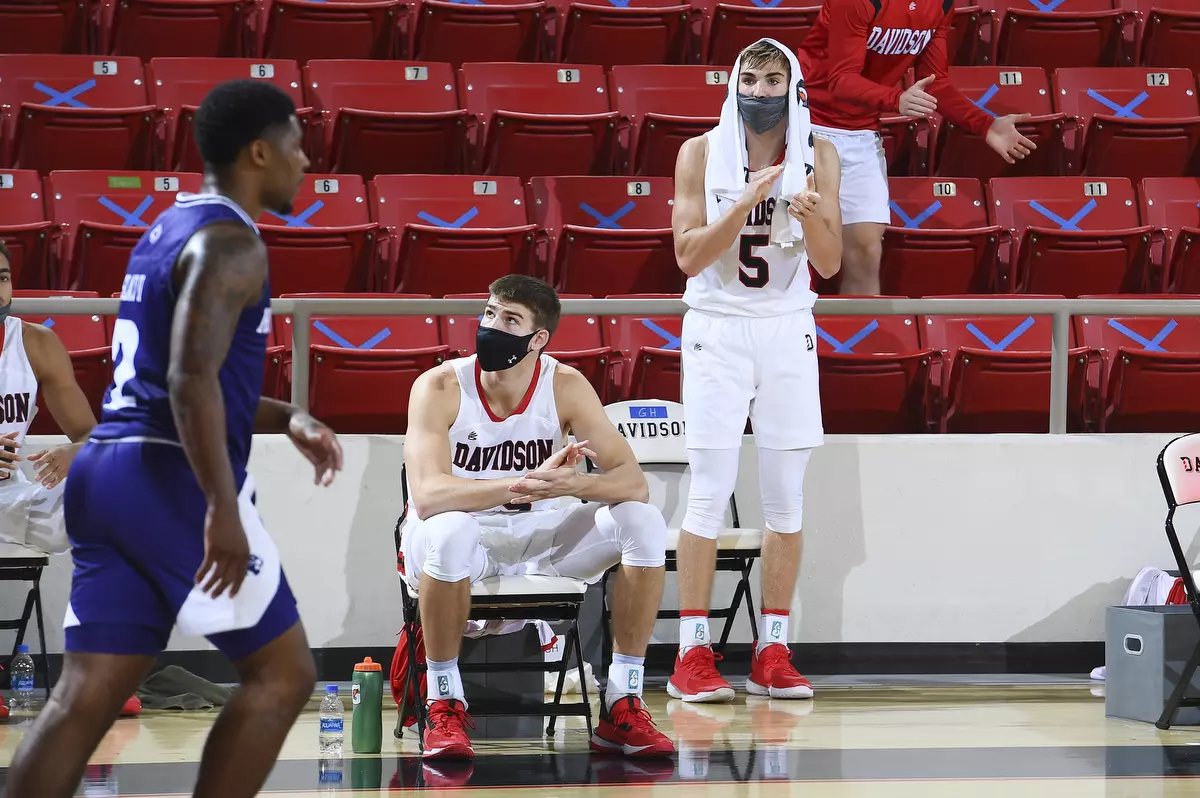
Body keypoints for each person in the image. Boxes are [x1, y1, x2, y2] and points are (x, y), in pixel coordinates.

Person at [6, 79, 344, 798]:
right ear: (259, 151)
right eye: (294, 143)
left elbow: (183, 374)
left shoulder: (169, 226)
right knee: (284, 676)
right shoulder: (232, 243)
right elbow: (190, 381)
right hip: (168, 478)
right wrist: (220, 506)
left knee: (84, 695)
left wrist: (289, 417)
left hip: (105, 471)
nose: (306, 161)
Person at [401, 274, 674, 761]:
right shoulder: (439, 386)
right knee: (449, 530)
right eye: (489, 313)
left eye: (509, 319)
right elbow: (427, 496)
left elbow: (634, 481)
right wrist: (520, 485)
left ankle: (622, 700)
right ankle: (443, 702)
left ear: (538, 339)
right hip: (462, 533)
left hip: (538, 535)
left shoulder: (565, 386)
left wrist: (577, 485)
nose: (491, 326)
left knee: (644, 522)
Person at [669, 39, 842, 703]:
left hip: (786, 327)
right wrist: (742, 203)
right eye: (751, 78)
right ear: (734, 82)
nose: (762, 91)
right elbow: (686, 257)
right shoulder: (698, 153)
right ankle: (693, 654)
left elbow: (827, 262)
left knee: (786, 498)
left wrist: (810, 217)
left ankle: (772, 648)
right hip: (716, 326)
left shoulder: (817, 153)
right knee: (708, 491)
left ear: (792, 85)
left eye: (774, 80)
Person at [797, 0, 1037, 295]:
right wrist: (895, 99)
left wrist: (985, 124)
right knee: (800, 259)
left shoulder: (942, 4)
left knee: (866, 255)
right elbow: (840, 80)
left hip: (861, 136)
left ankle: (862, 339)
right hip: (807, 125)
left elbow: (936, 83)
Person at [0, 242, 144, 721]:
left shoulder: (36, 343)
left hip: (12, 493)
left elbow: (90, 434)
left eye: (2, 276)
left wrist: (73, 452)